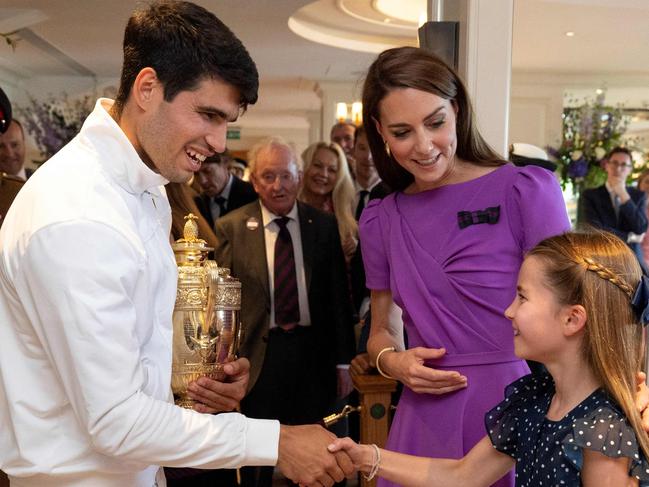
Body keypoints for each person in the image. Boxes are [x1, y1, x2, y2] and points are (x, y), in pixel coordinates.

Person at [0, 3, 352, 486]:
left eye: (225, 121)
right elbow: (116, 421)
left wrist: (199, 381)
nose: (219, 141)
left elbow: (132, 351)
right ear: (148, 88)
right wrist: (275, 442)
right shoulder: (78, 213)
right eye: (207, 114)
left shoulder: (145, 190)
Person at [357, 46, 571, 487]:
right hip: (422, 412)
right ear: (379, 132)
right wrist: (394, 363)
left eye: (435, 122)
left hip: (520, 402)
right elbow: (382, 327)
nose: (423, 145)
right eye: (402, 131)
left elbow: (573, 312)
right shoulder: (381, 218)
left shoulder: (525, 191)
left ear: (456, 110)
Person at [330, 231, 649, 486]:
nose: (508, 311)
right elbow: (461, 476)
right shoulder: (535, 400)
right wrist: (365, 456)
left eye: (522, 297)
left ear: (572, 319)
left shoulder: (603, 428)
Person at [213, 136, 356, 487]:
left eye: (286, 176)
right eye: (268, 177)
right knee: (257, 454)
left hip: (313, 354)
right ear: (255, 181)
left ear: (299, 176)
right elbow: (221, 304)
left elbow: (339, 298)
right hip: (260, 357)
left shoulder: (322, 226)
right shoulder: (231, 226)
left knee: (320, 448)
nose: (278, 186)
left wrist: (343, 361)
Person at [579, 147, 647, 270]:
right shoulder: (590, 195)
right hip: (601, 259)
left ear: (630, 170)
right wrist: (629, 237)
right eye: (614, 163)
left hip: (634, 262)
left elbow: (640, 228)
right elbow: (594, 230)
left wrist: (623, 195)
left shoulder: (638, 196)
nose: (618, 168)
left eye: (624, 165)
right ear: (606, 165)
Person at [299, 141, 357, 263]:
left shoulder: (344, 218)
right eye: (317, 165)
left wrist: (355, 252)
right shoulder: (289, 208)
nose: (323, 174)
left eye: (332, 170)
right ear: (304, 167)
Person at [194, 151, 257, 229]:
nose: (202, 181)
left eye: (208, 171)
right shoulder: (198, 203)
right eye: (196, 174)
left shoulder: (253, 195)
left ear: (226, 165)